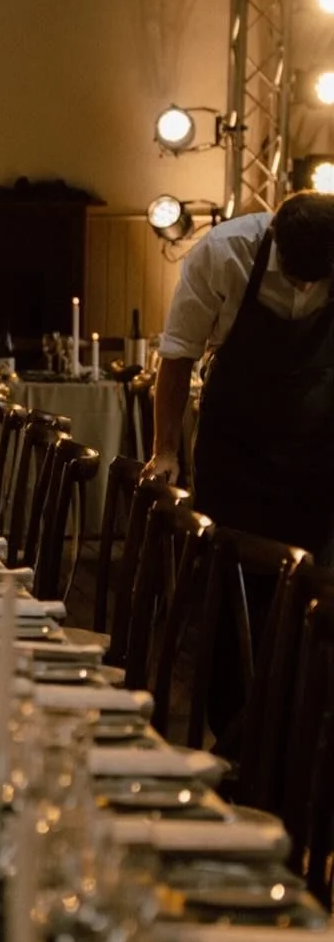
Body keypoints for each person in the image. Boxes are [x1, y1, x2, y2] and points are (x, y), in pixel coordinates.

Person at [145, 189, 334, 735]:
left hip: (319, 453)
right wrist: (166, 452)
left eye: (315, 282)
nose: (303, 290)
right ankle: (228, 732)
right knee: (231, 592)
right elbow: (178, 354)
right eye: (296, 277)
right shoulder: (224, 252)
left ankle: (294, 737)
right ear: (273, 241)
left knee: (311, 596)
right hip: (237, 451)